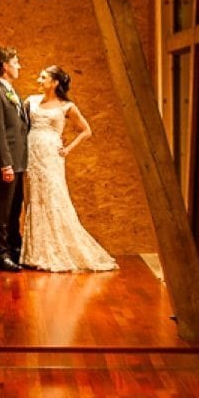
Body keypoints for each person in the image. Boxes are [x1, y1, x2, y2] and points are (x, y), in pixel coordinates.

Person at [21, 65, 117, 273]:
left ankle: (55, 250)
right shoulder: (31, 101)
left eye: (43, 76)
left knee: (53, 198)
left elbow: (86, 130)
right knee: (35, 199)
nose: (39, 79)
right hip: (33, 155)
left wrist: (68, 149)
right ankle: (35, 252)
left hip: (51, 158)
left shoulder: (67, 106)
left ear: (55, 82)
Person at [0, 46, 29, 272]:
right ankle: (2, 254)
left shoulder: (11, 91)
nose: (19, 65)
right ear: (4, 66)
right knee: (4, 208)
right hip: (8, 162)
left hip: (19, 160)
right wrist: (6, 164)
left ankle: (14, 248)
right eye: (15, 61)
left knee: (15, 207)